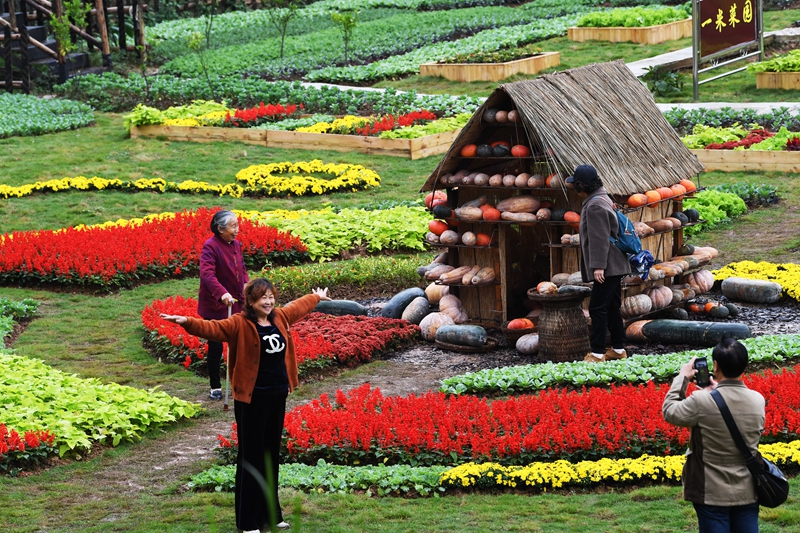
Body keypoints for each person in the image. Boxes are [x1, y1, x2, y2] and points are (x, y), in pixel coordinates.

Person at [161, 279, 331, 533]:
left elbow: (299, 307)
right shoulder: (239, 324)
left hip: (277, 397)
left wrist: (316, 297)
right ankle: (248, 522)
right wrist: (187, 322)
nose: (269, 301)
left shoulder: (279, 318)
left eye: (271, 296)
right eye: (263, 297)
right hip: (251, 401)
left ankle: (271, 517)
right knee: (250, 458)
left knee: (270, 455)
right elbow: (213, 328)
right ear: (251, 301)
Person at [662, 337, 765, 533]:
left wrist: (683, 377)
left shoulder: (701, 401)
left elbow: (670, 411)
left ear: (715, 366)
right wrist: (715, 394)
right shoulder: (757, 400)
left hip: (711, 492)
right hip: (748, 489)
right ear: (744, 365)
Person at [566, 164, 630, 363]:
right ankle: (619, 349)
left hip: (608, 266)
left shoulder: (594, 205)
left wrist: (598, 266)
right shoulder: (603, 198)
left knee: (597, 308)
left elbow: (599, 239)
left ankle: (597, 353)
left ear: (581, 185)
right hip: (615, 263)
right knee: (611, 307)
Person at [199, 210, 249, 400]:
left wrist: (246, 285)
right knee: (216, 345)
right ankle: (215, 386)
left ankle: (239, 382)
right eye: (233, 226)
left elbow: (242, 268)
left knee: (238, 342)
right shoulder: (210, 247)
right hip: (217, 303)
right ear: (220, 229)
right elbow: (207, 275)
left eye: (237, 225)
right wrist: (222, 294)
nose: (237, 230)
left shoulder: (235, 244)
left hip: (237, 301)